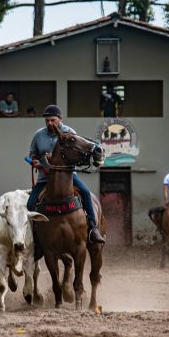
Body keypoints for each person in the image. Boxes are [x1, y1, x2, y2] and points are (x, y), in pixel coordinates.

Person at [27, 104, 106, 244]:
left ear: (60, 119)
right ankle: (34, 238)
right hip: (44, 178)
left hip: (68, 177)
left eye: (53, 120)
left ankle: (93, 229)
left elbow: (77, 153)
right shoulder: (38, 135)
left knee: (86, 194)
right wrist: (34, 161)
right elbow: (33, 154)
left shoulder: (69, 132)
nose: (50, 123)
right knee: (31, 203)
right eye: (47, 121)